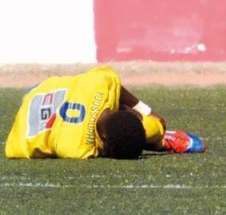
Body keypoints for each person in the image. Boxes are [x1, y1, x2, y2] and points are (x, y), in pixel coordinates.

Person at [5, 65, 206, 159]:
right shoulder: (78, 149)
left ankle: (158, 136)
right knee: (150, 129)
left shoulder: (100, 83)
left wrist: (146, 110)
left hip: (40, 90)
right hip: (21, 130)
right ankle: (161, 141)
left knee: (146, 126)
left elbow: (117, 88)